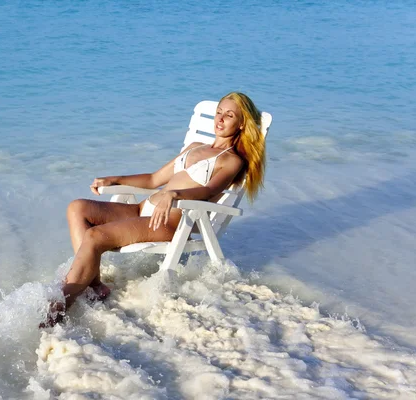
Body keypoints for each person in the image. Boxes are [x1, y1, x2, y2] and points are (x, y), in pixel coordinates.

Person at [41, 92, 266, 327]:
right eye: (218, 112)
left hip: (169, 222)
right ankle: (94, 285)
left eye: (229, 115)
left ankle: (61, 304)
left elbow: (208, 190)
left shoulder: (231, 160)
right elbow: (153, 179)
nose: (219, 119)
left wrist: (174, 194)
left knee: (95, 236)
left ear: (241, 124)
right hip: (143, 210)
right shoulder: (194, 147)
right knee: (77, 207)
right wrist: (114, 179)